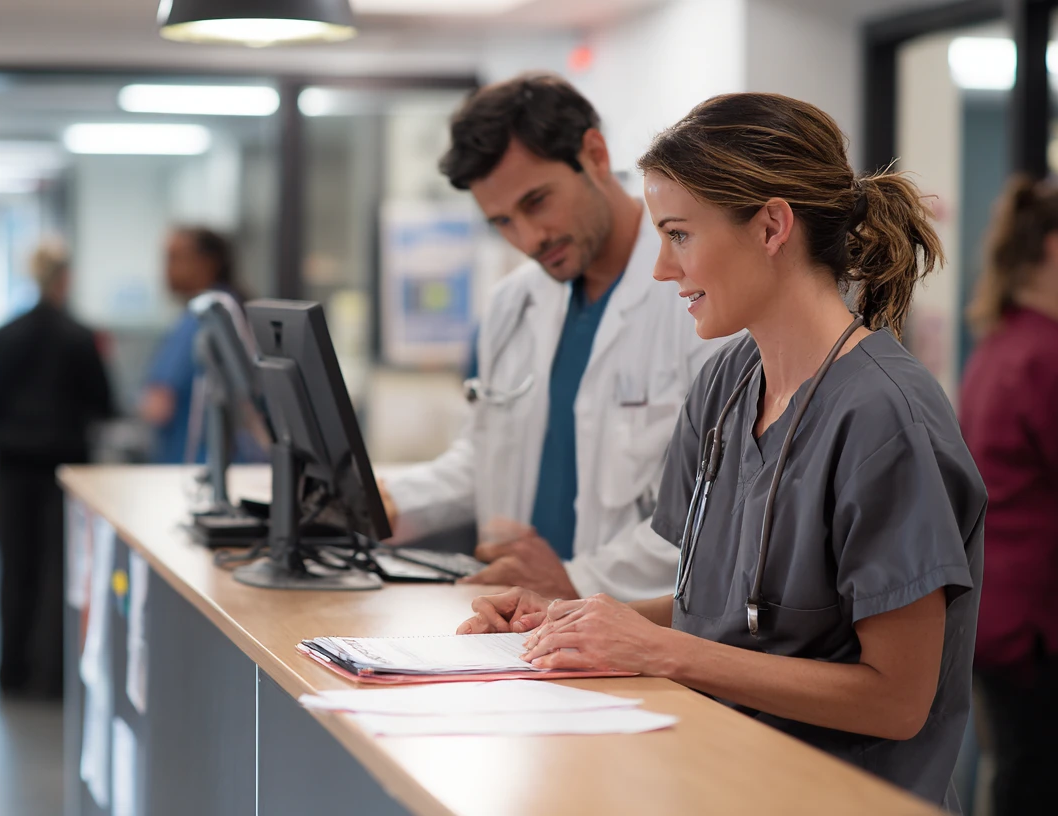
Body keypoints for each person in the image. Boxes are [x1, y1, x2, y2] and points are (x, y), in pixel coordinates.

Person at [459, 93, 985, 808]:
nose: (661, 271)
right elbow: (720, 616)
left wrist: (657, 651)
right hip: (721, 778)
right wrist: (569, 619)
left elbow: (896, 701)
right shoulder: (726, 387)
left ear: (771, 226)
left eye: (677, 235)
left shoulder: (886, 420)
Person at [380, 73, 726, 601]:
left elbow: (716, 515)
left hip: (632, 635)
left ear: (594, 153)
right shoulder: (513, 303)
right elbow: (488, 452)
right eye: (502, 221)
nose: (529, 239)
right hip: (521, 627)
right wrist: (391, 501)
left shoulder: (701, 303)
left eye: (537, 201)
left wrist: (576, 582)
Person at [958, 175, 1058, 816]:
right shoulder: (1043, 354)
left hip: (995, 613)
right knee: (1033, 782)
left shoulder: (1001, 345)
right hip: (1033, 626)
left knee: (1016, 772)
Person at [0, 241, 116, 698]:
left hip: (12, 468)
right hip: (64, 470)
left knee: (14, 568)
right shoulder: (80, 337)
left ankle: (10, 671)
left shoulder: (7, 334)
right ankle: (52, 677)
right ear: (65, 278)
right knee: (61, 569)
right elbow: (104, 404)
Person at [139, 226, 241, 464]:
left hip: (191, 466)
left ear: (208, 263)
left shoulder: (203, 316)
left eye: (175, 258)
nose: (165, 270)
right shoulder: (230, 308)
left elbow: (157, 406)